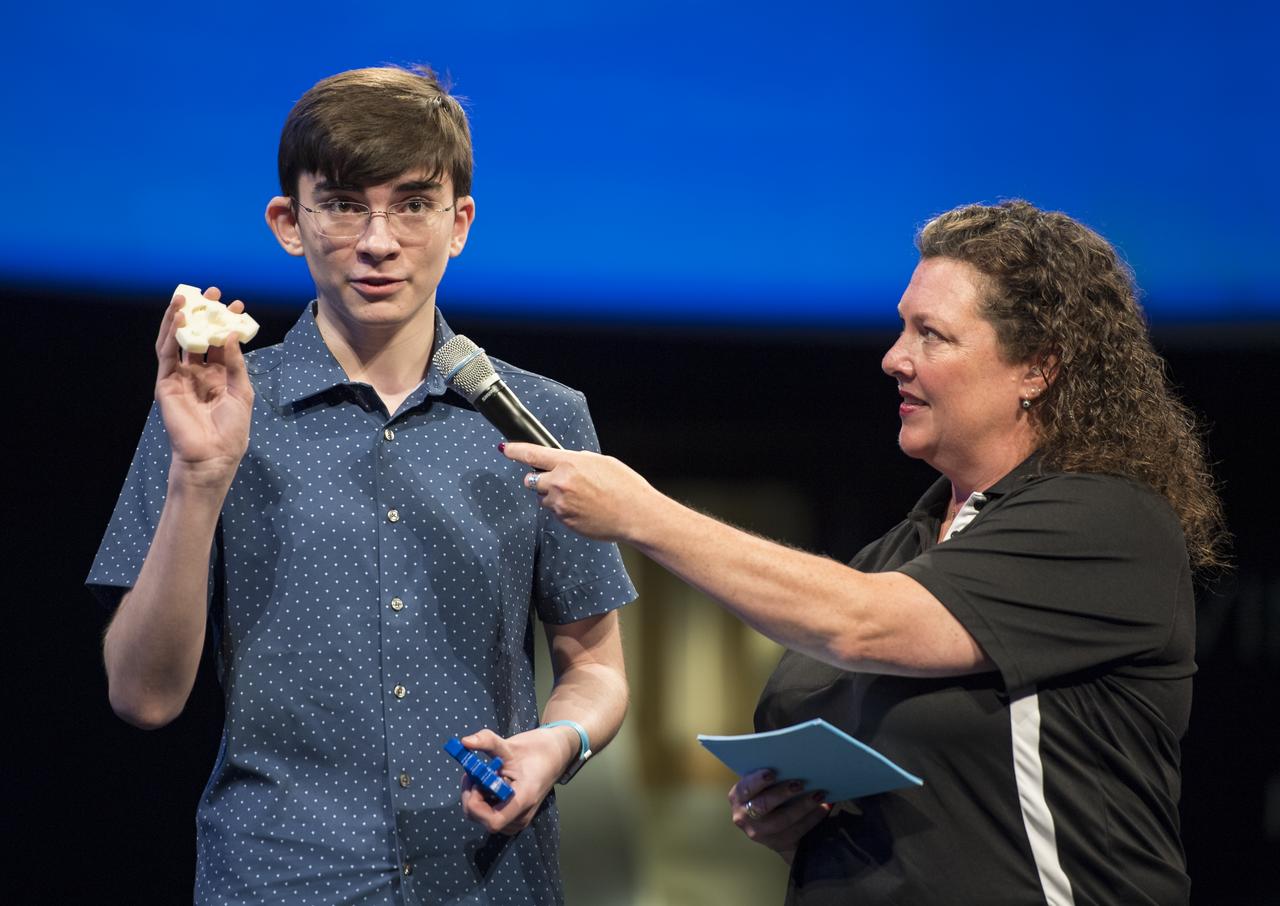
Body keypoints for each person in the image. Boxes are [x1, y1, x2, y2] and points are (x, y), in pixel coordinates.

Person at [501, 200, 1226, 905]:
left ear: (1036, 368)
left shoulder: (1106, 524)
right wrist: (791, 820)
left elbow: (860, 626)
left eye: (930, 335)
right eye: (900, 329)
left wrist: (643, 514)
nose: (892, 359)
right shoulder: (905, 549)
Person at [87, 66, 634, 906]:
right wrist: (201, 476)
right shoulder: (210, 409)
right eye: (343, 203)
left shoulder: (539, 419)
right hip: (280, 879)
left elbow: (596, 670)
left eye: (414, 204)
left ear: (459, 224)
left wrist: (558, 743)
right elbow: (143, 697)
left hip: (487, 881)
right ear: (289, 223)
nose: (379, 240)